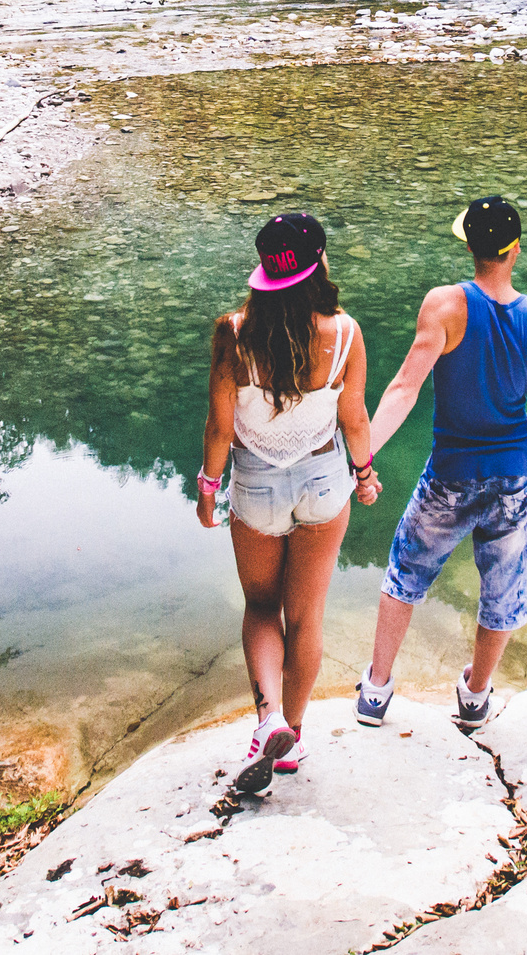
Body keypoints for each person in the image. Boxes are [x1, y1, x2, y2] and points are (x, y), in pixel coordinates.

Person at [356, 195, 527, 734]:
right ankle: (474, 697)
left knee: (406, 570)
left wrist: (365, 452)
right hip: (515, 474)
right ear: (514, 251)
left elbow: (404, 387)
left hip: (450, 474)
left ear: (469, 247)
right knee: (505, 589)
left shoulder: (444, 306)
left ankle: (376, 690)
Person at [194, 211, 382, 793]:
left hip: (255, 486)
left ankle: (267, 717)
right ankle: (292, 738)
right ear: (318, 264)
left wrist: (207, 487)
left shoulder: (234, 333)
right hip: (326, 482)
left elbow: (219, 428)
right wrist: (366, 475)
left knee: (260, 607)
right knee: (306, 617)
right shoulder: (345, 334)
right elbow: (353, 418)